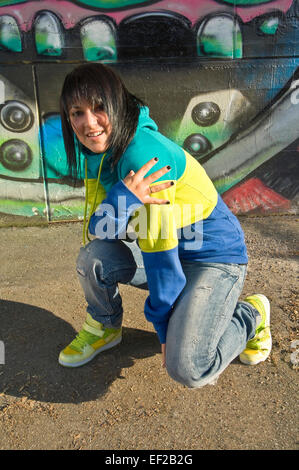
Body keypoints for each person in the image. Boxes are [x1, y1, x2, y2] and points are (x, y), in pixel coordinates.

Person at [58, 63, 272, 388]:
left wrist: (163, 325)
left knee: (188, 368)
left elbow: (161, 253)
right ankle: (105, 327)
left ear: (117, 104)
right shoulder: (94, 151)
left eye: (99, 108)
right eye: (77, 113)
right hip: (167, 249)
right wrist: (123, 197)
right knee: (94, 257)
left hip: (212, 259)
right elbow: (98, 228)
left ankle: (251, 314)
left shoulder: (144, 156)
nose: (89, 123)